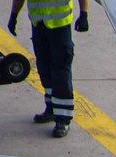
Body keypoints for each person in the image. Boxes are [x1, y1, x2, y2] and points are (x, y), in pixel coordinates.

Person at [9, 0, 88, 139]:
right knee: (44, 68)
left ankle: (63, 120)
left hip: (60, 25)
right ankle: (52, 108)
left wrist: (84, 13)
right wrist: (13, 15)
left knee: (61, 70)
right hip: (38, 23)